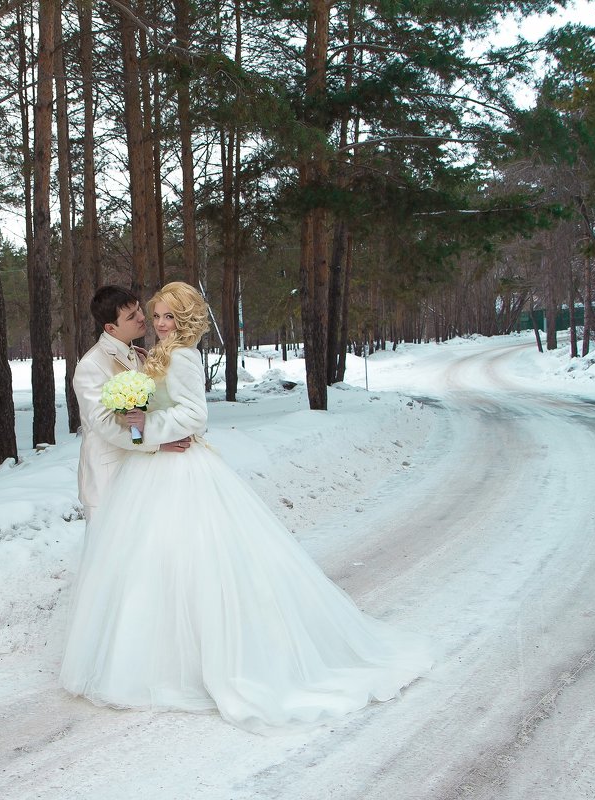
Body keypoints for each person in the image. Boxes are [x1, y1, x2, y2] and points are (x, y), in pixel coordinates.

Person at [60, 282, 433, 734]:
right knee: (132, 566)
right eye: (141, 315)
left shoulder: (158, 355)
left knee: (182, 558)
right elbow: (106, 425)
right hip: (123, 472)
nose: (149, 321)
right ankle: (135, 653)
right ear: (111, 325)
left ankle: (191, 658)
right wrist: (151, 436)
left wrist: (153, 432)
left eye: (156, 314)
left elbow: (186, 411)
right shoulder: (98, 364)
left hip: (162, 465)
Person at [73, 285, 190, 521]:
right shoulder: (91, 366)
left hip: (142, 475)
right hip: (110, 477)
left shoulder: (140, 355)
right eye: (131, 316)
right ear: (110, 328)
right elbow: (105, 425)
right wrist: (156, 444)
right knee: (106, 554)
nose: (141, 317)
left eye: (138, 309)